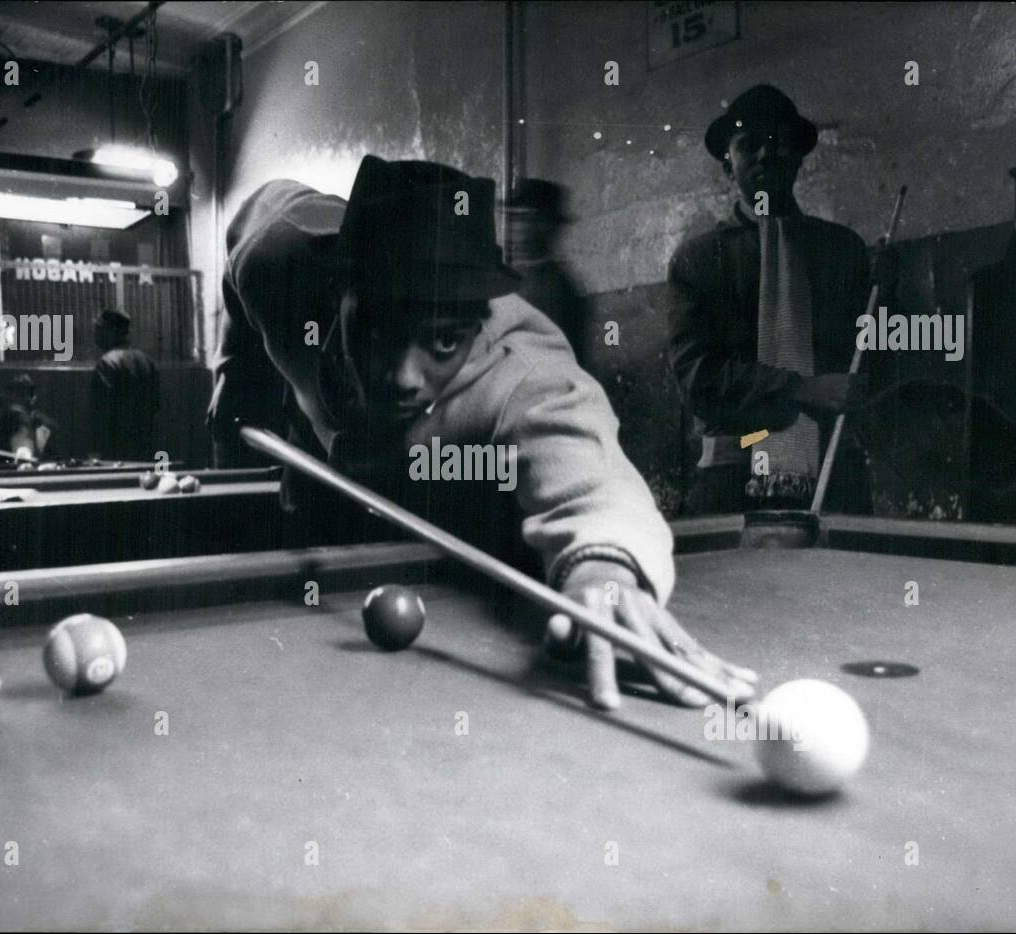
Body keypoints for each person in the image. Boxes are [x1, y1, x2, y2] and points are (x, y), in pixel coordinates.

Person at [209, 154, 755, 711]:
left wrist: (602, 566)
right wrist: (233, 371)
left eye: (444, 342)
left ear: (478, 323)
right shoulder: (278, 262)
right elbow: (245, 243)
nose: (403, 377)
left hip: (450, 511)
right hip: (322, 493)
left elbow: (588, 469)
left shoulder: (520, 369)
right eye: (377, 331)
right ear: (337, 289)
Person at [669, 84, 892, 514]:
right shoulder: (699, 260)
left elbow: (868, 367)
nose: (766, 156)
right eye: (750, 145)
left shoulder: (842, 249)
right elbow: (698, 379)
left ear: (799, 157)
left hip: (832, 471)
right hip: (735, 474)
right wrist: (802, 389)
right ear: (726, 164)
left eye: (778, 143)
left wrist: (885, 296)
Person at [503, 177, 590, 364]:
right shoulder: (501, 279)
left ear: (550, 227)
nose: (519, 228)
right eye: (515, 218)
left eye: (529, 219)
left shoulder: (562, 290)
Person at [89, 309, 160, 461]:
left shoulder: (106, 363)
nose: (95, 335)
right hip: (146, 446)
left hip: (115, 449)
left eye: (99, 329)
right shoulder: (147, 361)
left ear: (111, 332)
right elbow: (156, 406)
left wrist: (96, 451)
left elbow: (101, 414)